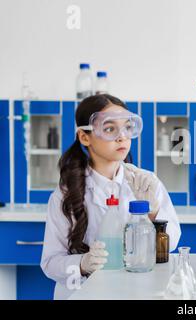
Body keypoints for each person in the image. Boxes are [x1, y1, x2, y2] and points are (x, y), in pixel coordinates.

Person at [40, 94, 181, 299]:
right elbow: (50, 263)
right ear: (84, 137)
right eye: (109, 129)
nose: (122, 136)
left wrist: (153, 212)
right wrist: (82, 263)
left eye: (127, 127)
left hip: (136, 292)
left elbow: (173, 242)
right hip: (82, 294)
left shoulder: (146, 183)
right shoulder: (65, 195)